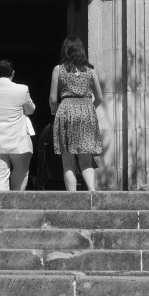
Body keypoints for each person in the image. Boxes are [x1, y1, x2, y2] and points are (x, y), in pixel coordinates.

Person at [49, 36, 103, 191]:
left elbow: (53, 98)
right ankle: (92, 192)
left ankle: (72, 197)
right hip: (86, 111)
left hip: (66, 111)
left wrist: (54, 110)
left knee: (68, 162)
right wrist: (89, 109)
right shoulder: (90, 70)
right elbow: (99, 97)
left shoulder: (59, 69)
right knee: (86, 162)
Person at [0, 59, 36, 191]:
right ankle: (15, 200)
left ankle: (2, 203)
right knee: (21, 170)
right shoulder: (22, 89)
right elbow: (30, 110)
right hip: (18, 138)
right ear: (13, 73)